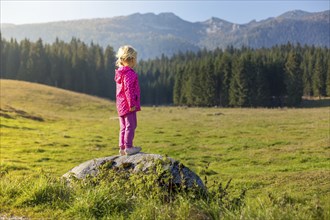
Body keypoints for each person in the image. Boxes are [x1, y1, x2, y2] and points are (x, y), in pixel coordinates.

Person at [115, 45, 142, 156]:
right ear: (131, 60)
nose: (135, 61)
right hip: (128, 105)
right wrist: (132, 104)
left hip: (121, 105)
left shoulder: (120, 73)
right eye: (135, 59)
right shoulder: (129, 74)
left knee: (123, 126)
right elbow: (128, 90)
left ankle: (122, 148)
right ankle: (129, 147)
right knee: (131, 125)